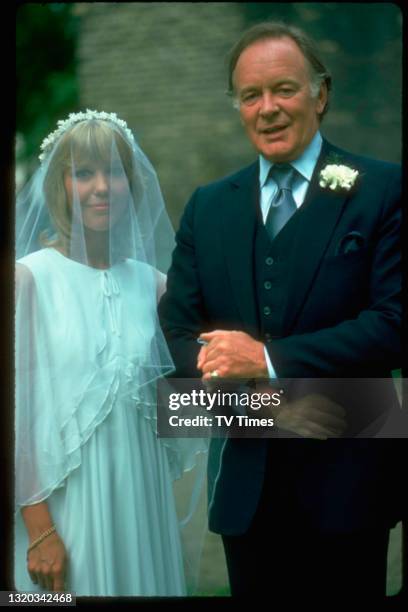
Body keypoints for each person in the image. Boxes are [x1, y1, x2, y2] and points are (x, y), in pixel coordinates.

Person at [158, 22, 406, 600]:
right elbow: (172, 345)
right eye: (250, 95)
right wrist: (270, 410)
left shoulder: (384, 190)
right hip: (247, 494)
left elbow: (395, 326)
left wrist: (267, 358)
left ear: (320, 94)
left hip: (351, 486)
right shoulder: (207, 207)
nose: (267, 108)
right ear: (238, 106)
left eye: (284, 90)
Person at [14, 110, 206, 596]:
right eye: (84, 173)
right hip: (65, 514)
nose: (103, 186)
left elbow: (189, 401)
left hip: (143, 504)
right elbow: (15, 414)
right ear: (59, 185)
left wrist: (310, 406)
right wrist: (40, 532)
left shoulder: (155, 286)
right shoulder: (29, 279)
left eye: (115, 171)